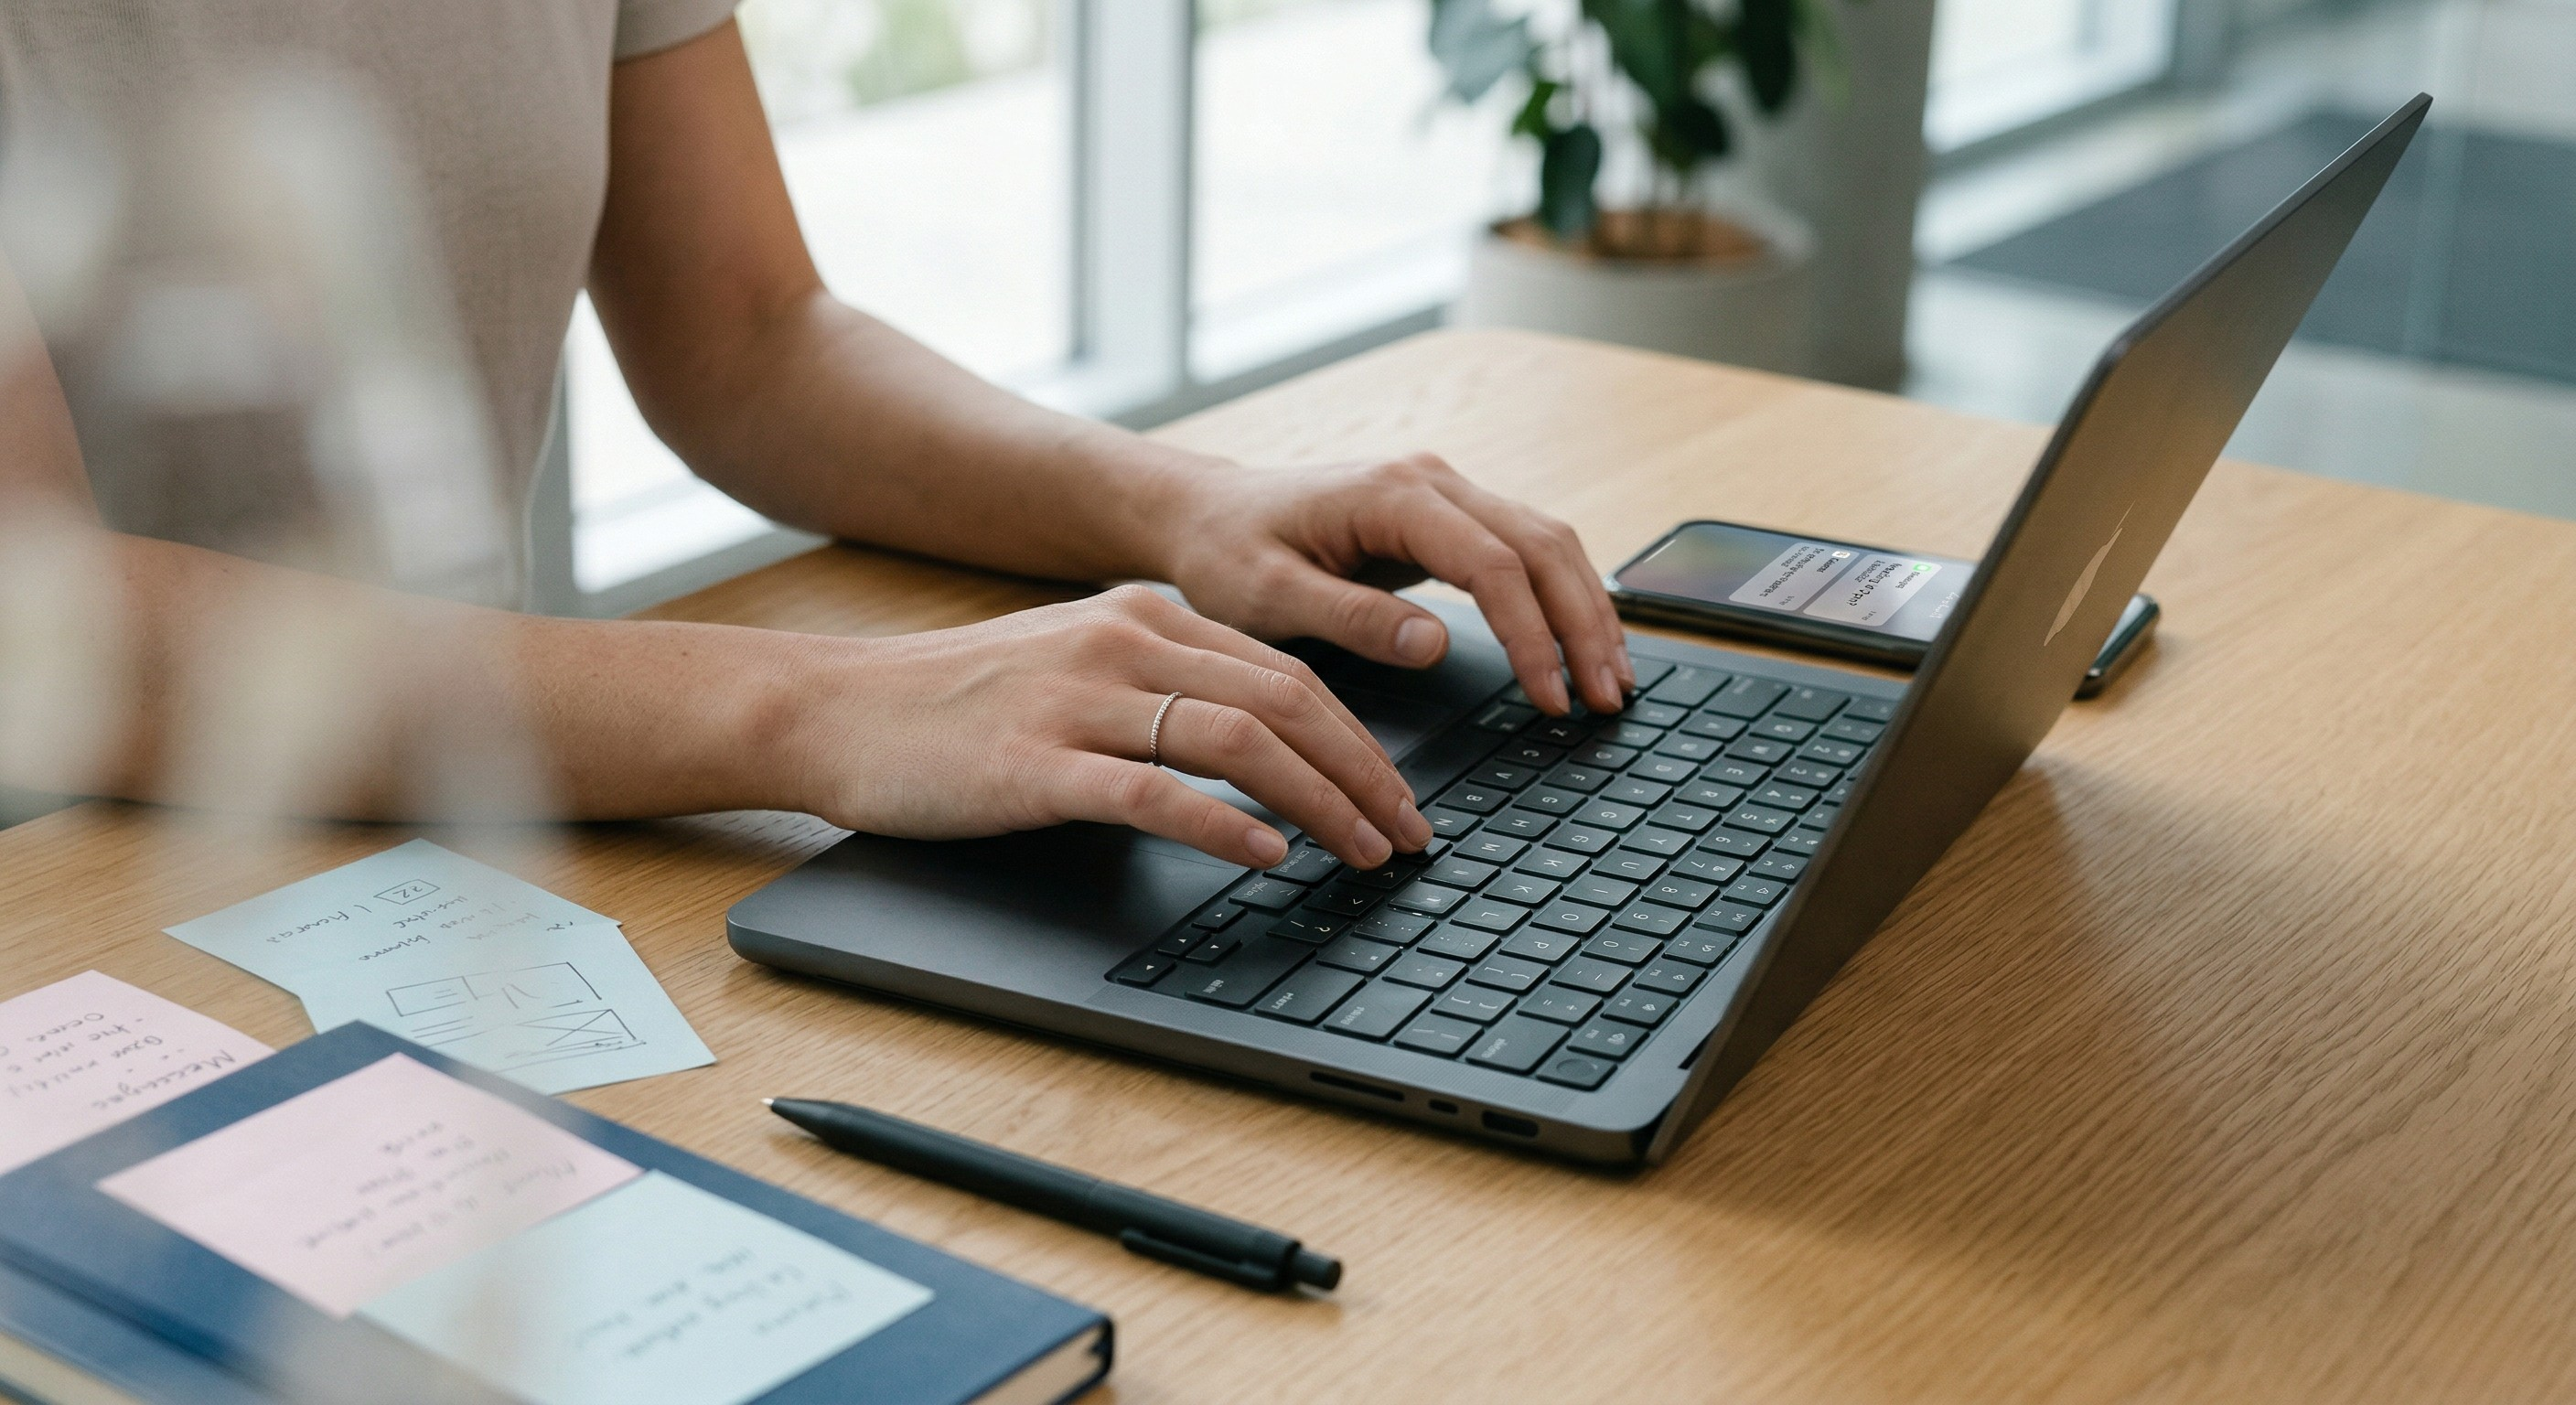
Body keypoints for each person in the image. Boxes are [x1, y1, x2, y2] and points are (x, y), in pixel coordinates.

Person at [0, 1, 1630, 874]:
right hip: (60, 899)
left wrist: (1190, 504)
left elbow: (750, 337)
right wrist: (830, 709)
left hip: (419, 822)